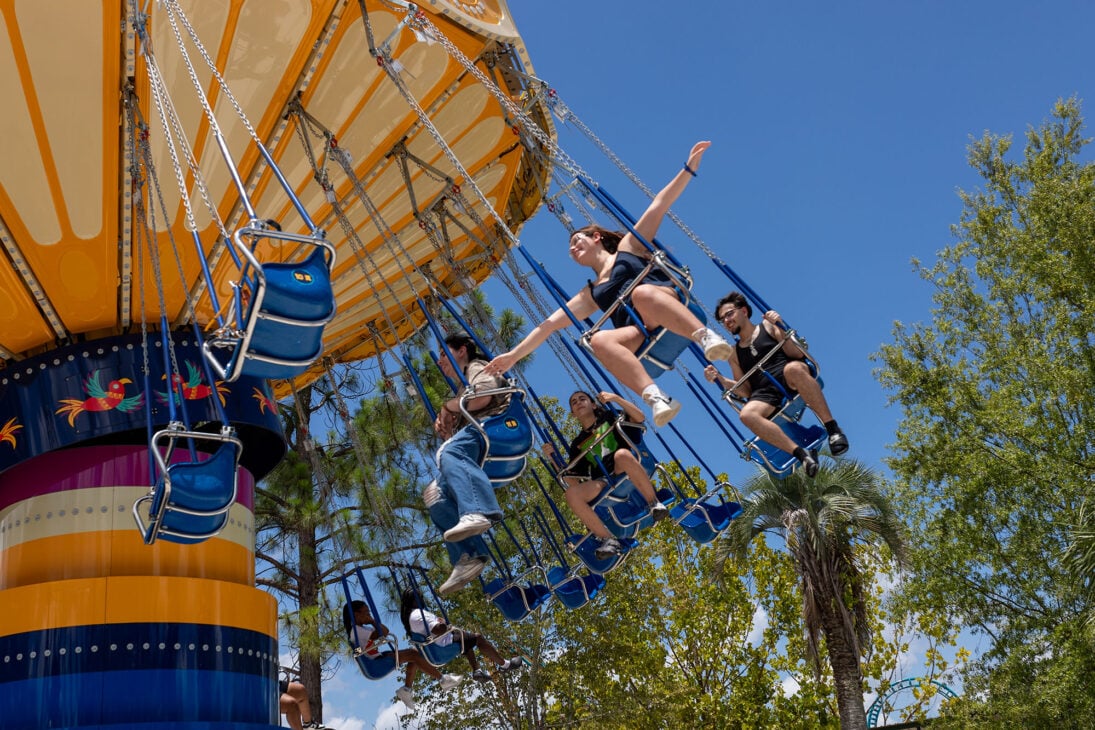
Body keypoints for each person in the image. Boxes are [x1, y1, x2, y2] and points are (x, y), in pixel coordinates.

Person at [485, 141, 731, 428]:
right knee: (598, 338)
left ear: (597, 237)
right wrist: (514, 355)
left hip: (661, 301)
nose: (573, 248)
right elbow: (548, 325)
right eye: (570, 249)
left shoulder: (629, 247)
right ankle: (655, 397)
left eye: (577, 241)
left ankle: (705, 336)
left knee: (640, 293)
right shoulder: (591, 293)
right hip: (642, 333)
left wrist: (689, 169)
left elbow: (659, 205)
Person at [703, 291, 848, 477]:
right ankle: (801, 454)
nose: (726, 321)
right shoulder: (734, 353)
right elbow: (745, 389)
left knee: (794, 369)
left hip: (787, 376)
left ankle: (833, 430)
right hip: (764, 393)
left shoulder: (767, 326)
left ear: (744, 311)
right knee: (746, 414)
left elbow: (796, 354)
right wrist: (721, 380)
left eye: (729, 314)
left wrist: (780, 327)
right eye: (723, 319)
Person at [426, 333, 510, 596]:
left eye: (443, 353)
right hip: (476, 438)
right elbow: (465, 405)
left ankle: (478, 510)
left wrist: (447, 408)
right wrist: (448, 421)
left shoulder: (477, 368)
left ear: (462, 351)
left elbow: (482, 397)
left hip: (496, 427)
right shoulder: (462, 387)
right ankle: (469, 555)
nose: (440, 361)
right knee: (433, 495)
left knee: (448, 453)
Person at [543, 391, 669, 559]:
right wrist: (552, 458)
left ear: (593, 404)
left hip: (626, 466)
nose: (579, 402)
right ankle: (607, 539)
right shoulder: (578, 444)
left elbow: (639, 418)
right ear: (573, 414)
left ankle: (653, 503)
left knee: (621, 455)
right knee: (571, 494)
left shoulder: (610, 417)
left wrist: (615, 399)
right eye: (574, 402)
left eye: (583, 399)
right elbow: (571, 480)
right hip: (604, 482)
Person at [341, 600, 463, 711]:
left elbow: (384, 630)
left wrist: (371, 621)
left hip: (378, 660)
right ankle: (442, 679)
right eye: (366, 612)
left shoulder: (361, 629)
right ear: (356, 615)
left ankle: (407, 690)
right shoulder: (356, 631)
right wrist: (373, 621)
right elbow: (384, 632)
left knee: (415, 655)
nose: (369, 615)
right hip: (376, 665)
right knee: (414, 654)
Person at [399, 588, 523, 683]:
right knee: (478, 638)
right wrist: (443, 623)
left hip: (438, 645)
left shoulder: (410, 617)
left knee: (466, 640)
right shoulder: (419, 614)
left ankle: (477, 671)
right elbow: (439, 629)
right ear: (416, 600)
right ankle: (505, 665)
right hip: (445, 643)